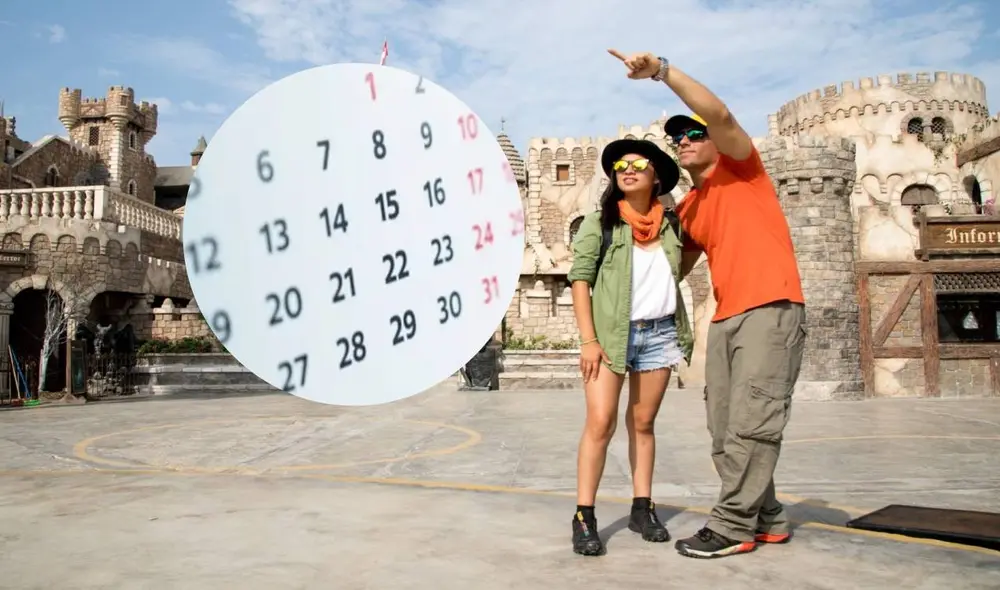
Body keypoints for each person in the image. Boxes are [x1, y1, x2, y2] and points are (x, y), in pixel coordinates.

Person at [607, 49, 807, 559]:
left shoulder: (743, 168)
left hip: (771, 307)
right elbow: (669, 267)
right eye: (679, 138)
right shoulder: (691, 208)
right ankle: (768, 516)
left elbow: (719, 114)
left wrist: (661, 72)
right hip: (726, 317)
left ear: (715, 140)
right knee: (723, 426)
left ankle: (733, 525)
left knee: (753, 422)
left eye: (695, 134)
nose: (685, 141)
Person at [566, 138, 694, 556]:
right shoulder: (599, 223)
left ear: (656, 176)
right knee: (600, 422)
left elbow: (681, 267)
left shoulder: (672, 226)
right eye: (621, 165)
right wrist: (589, 340)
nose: (628, 170)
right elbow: (580, 280)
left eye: (639, 164)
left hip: (659, 334)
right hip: (609, 337)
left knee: (643, 423)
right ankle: (584, 516)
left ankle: (643, 507)